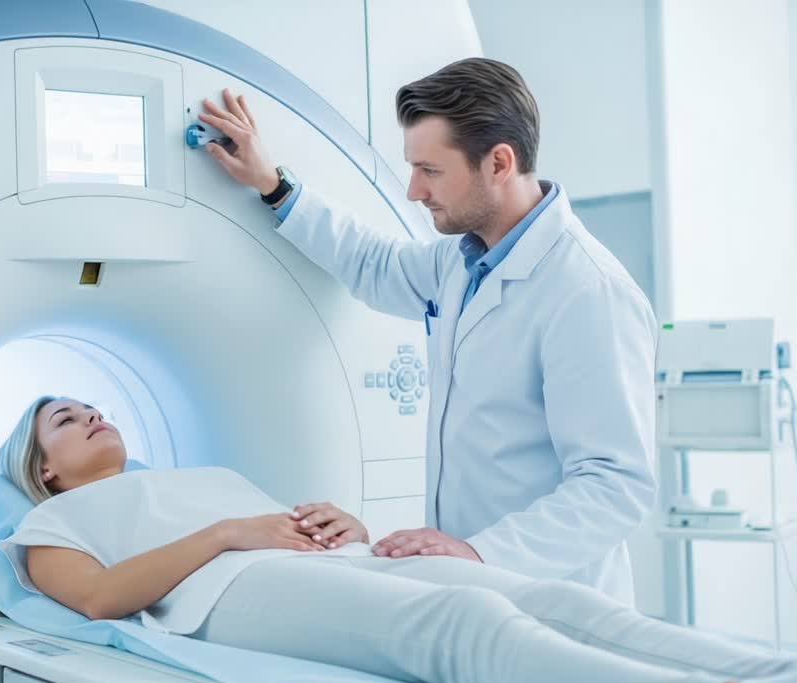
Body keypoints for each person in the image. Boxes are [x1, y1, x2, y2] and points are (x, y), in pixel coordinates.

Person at [0, 396, 797, 683]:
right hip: (227, 590)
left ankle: (782, 672)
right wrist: (224, 534)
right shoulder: (52, 523)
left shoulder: (198, 473)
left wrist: (336, 524)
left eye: (95, 405)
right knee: (459, 621)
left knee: (552, 599)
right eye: (66, 420)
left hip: (324, 565)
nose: (92, 416)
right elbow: (100, 600)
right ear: (46, 468)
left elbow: (275, 524)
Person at [198, 59, 657, 606]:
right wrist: (273, 185)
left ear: (499, 163)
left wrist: (481, 555)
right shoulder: (463, 262)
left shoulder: (587, 291)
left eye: (431, 171)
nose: (415, 190)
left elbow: (614, 485)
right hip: (474, 591)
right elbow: (373, 263)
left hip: (554, 597)